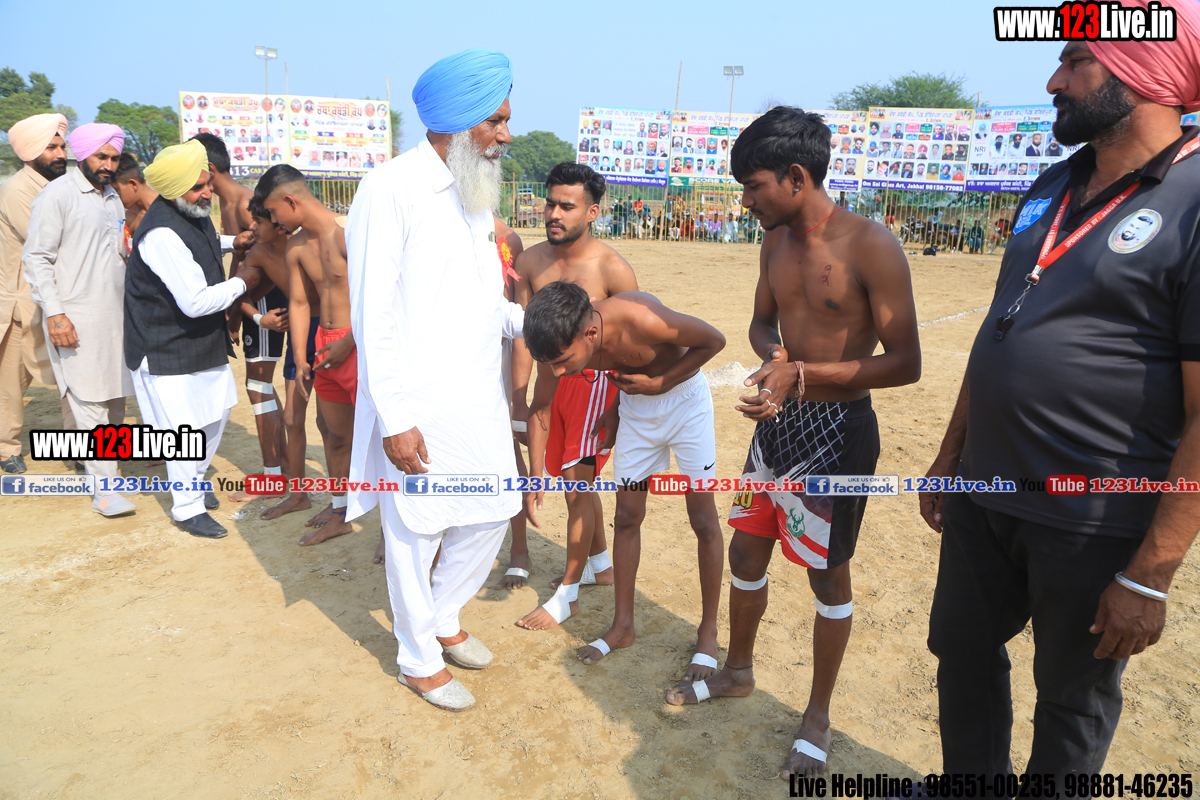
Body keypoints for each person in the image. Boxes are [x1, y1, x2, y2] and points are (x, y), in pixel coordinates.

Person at [921, 7, 1200, 781]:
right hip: (986, 491)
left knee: (1072, 698)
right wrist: (950, 455)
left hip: (1093, 514)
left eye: (1077, 61)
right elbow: (1001, 326)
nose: (1054, 80)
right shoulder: (1053, 182)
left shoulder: (1193, 201)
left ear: (1143, 74)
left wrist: (1150, 572)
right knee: (961, 653)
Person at [664, 106, 920, 781]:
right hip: (775, 429)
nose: (746, 202)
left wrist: (802, 375)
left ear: (797, 177)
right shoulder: (773, 242)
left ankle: (818, 717)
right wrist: (775, 360)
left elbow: (906, 363)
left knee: (825, 574)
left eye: (754, 187)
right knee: (747, 549)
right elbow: (760, 322)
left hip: (839, 435)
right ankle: (738, 670)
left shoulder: (870, 246)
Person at [345, 48, 524, 712]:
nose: (506, 134)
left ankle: (443, 614)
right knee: (416, 529)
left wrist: (539, 327)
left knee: (495, 507)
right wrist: (395, 416)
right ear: (458, 120)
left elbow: (485, 301)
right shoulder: (389, 188)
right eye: (495, 120)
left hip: (478, 396)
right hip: (417, 402)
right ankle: (418, 659)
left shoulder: (474, 192)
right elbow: (372, 314)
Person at [524, 281, 727, 680]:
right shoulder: (574, 338)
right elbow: (567, 387)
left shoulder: (641, 318)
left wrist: (661, 383)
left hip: (685, 405)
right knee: (628, 517)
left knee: (703, 520)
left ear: (591, 333)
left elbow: (713, 341)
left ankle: (708, 632)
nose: (558, 372)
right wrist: (617, 409)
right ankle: (623, 626)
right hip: (636, 410)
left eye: (563, 361)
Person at [507, 163, 637, 630]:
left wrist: (618, 411)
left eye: (567, 206)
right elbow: (523, 339)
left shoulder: (612, 269)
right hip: (549, 390)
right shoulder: (529, 264)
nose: (554, 214)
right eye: (550, 204)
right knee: (572, 484)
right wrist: (520, 400)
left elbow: (630, 345)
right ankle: (600, 566)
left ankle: (568, 594)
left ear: (592, 212)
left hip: (595, 390)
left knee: (576, 487)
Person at [124, 140, 260, 536]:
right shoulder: (160, 234)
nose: (207, 192)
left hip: (199, 340)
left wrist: (234, 242)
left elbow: (202, 241)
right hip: (163, 345)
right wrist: (243, 282)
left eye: (207, 183)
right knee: (181, 431)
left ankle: (195, 483)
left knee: (216, 413)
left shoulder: (188, 210)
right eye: (198, 187)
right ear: (173, 189)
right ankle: (187, 509)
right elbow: (197, 302)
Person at [23, 124, 138, 517]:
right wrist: (55, 314)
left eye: (114, 158)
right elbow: (37, 258)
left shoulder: (113, 197)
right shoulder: (57, 195)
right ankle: (104, 491)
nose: (108, 165)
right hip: (74, 317)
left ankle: (109, 476)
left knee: (115, 400)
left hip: (117, 317)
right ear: (82, 155)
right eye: (101, 156)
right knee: (88, 402)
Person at [258, 165, 358, 546]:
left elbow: (382, 297)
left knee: (381, 439)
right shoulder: (297, 246)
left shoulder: (349, 233)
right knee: (336, 437)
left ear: (291, 201)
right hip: (324, 349)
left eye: (274, 211)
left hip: (360, 347)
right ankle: (340, 513)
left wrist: (351, 341)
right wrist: (301, 358)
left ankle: (389, 528)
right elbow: (299, 303)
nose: (274, 221)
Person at [0, 113, 71, 474]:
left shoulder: (60, 186)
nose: (60, 154)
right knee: (12, 381)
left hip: (61, 298)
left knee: (72, 375)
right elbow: (47, 243)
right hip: (21, 303)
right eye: (51, 148)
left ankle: (79, 447)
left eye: (62, 146)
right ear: (30, 152)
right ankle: (5, 448)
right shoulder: (17, 190)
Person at [112, 154, 158, 238]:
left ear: (133, 184)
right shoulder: (128, 217)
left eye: (116, 191)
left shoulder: (170, 206)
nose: (115, 197)